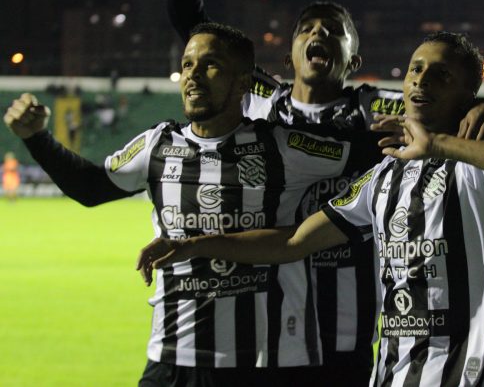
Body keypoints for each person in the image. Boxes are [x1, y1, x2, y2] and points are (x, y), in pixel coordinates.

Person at [141, 0, 484, 382]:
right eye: (307, 27)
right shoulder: (264, 102)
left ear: (353, 59)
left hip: (348, 330)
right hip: (270, 328)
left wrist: (480, 105)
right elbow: (194, 24)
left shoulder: (378, 108)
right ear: (287, 53)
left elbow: (438, 104)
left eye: (335, 30)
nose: (319, 34)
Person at [138, 31, 484, 386]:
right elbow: (294, 241)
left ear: (468, 95)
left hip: (455, 377)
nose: (421, 80)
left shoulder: (474, 166)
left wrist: (439, 144)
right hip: (388, 374)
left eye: (441, 74)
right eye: (416, 69)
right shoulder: (382, 177)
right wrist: (196, 244)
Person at [4, 23, 378, 387]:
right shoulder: (157, 146)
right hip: (171, 356)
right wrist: (36, 138)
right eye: (187, 65)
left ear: (244, 82)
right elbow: (91, 187)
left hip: (262, 362)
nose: (193, 76)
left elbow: (372, 154)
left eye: (210, 65)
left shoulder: (283, 146)